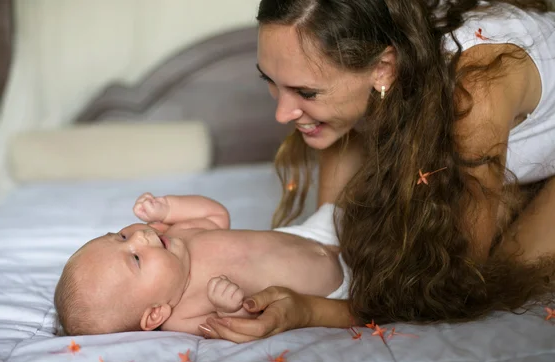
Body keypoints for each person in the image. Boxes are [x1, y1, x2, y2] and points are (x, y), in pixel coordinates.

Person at [198, 0, 555, 343]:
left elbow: (458, 284)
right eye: (271, 82)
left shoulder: (477, 87)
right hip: (494, 156)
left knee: (501, 274)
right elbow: (327, 240)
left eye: (306, 91)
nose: (282, 114)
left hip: (496, 120)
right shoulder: (364, 53)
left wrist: (311, 311)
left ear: (383, 68)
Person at [54, 193, 349, 336]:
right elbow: (233, 328)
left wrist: (169, 207)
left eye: (120, 236)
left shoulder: (175, 235)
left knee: (365, 199)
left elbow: (216, 217)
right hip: (331, 287)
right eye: (135, 258)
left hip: (310, 233)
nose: (141, 236)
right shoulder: (180, 318)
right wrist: (228, 308)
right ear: (155, 313)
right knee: (387, 275)